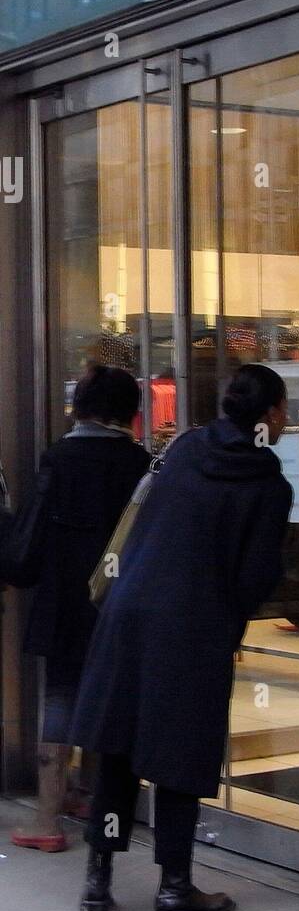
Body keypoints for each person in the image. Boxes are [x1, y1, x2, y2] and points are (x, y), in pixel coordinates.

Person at [70, 364, 292, 911]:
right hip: (194, 625)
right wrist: (227, 620)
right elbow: (257, 574)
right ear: (269, 415)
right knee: (179, 752)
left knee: (117, 745)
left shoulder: (188, 449)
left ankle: (98, 882)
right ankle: (174, 889)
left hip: (131, 610)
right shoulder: (268, 484)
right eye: (283, 409)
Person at [10, 365, 150, 853]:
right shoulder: (141, 464)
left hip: (63, 599)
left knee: (61, 696)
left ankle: (48, 818)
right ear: (129, 411)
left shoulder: (60, 459)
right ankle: (91, 797)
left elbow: (31, 535)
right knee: (104, 695)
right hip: (118, 602)